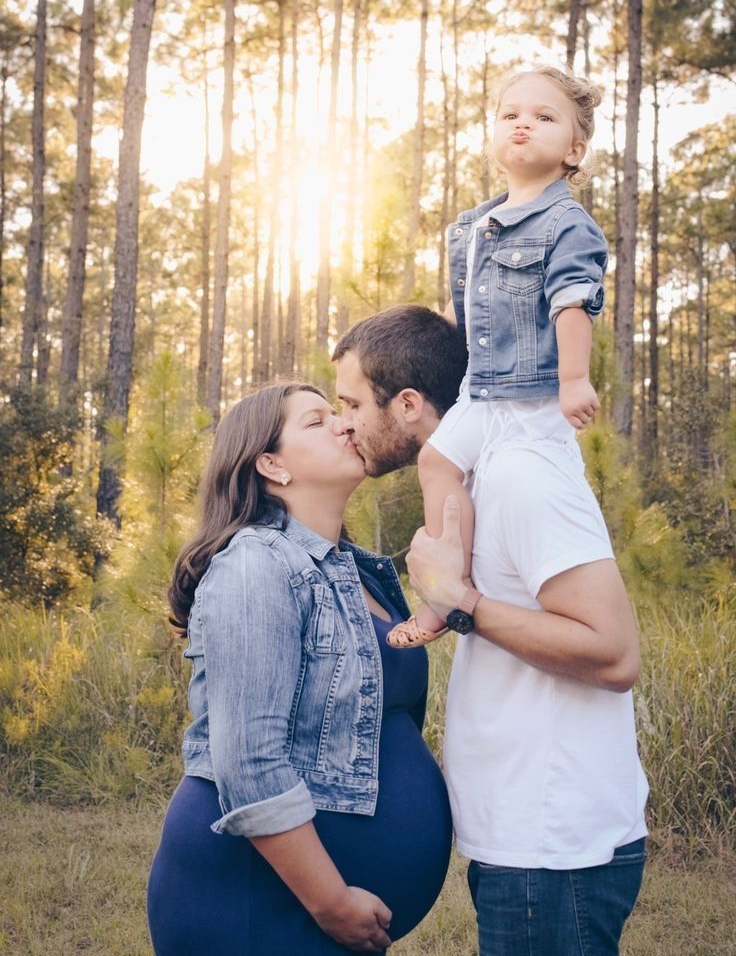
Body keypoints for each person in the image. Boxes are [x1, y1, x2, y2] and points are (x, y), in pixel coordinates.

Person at [334, 303, 648, 955]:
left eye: (352, 404)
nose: (343, 425)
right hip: (525, 841)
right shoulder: (473, 484)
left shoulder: (519, 475)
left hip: (554, 850)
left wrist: (461, 602)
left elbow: (616, 655)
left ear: (410, 403)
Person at [147, 382, 454, 955]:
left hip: (321, 913)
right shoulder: (254, 566)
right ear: (271, 465)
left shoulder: (360, 571)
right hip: (248, 905)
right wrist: (331, 902)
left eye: (340, 413)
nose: (344, 424)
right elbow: (249, 757)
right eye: (317, 421)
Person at [388, 65, 610, 648]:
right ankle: (443, 592)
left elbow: (571, 303)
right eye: (510, 115)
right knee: (435, 461)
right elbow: (469, 318)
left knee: (515, 483)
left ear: (574, 148)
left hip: (533, 394)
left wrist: (574, 379)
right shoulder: (476, 226)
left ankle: (480, 595)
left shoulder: (568, 223)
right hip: (481, 393)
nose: (523, 125)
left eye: (543, 117)